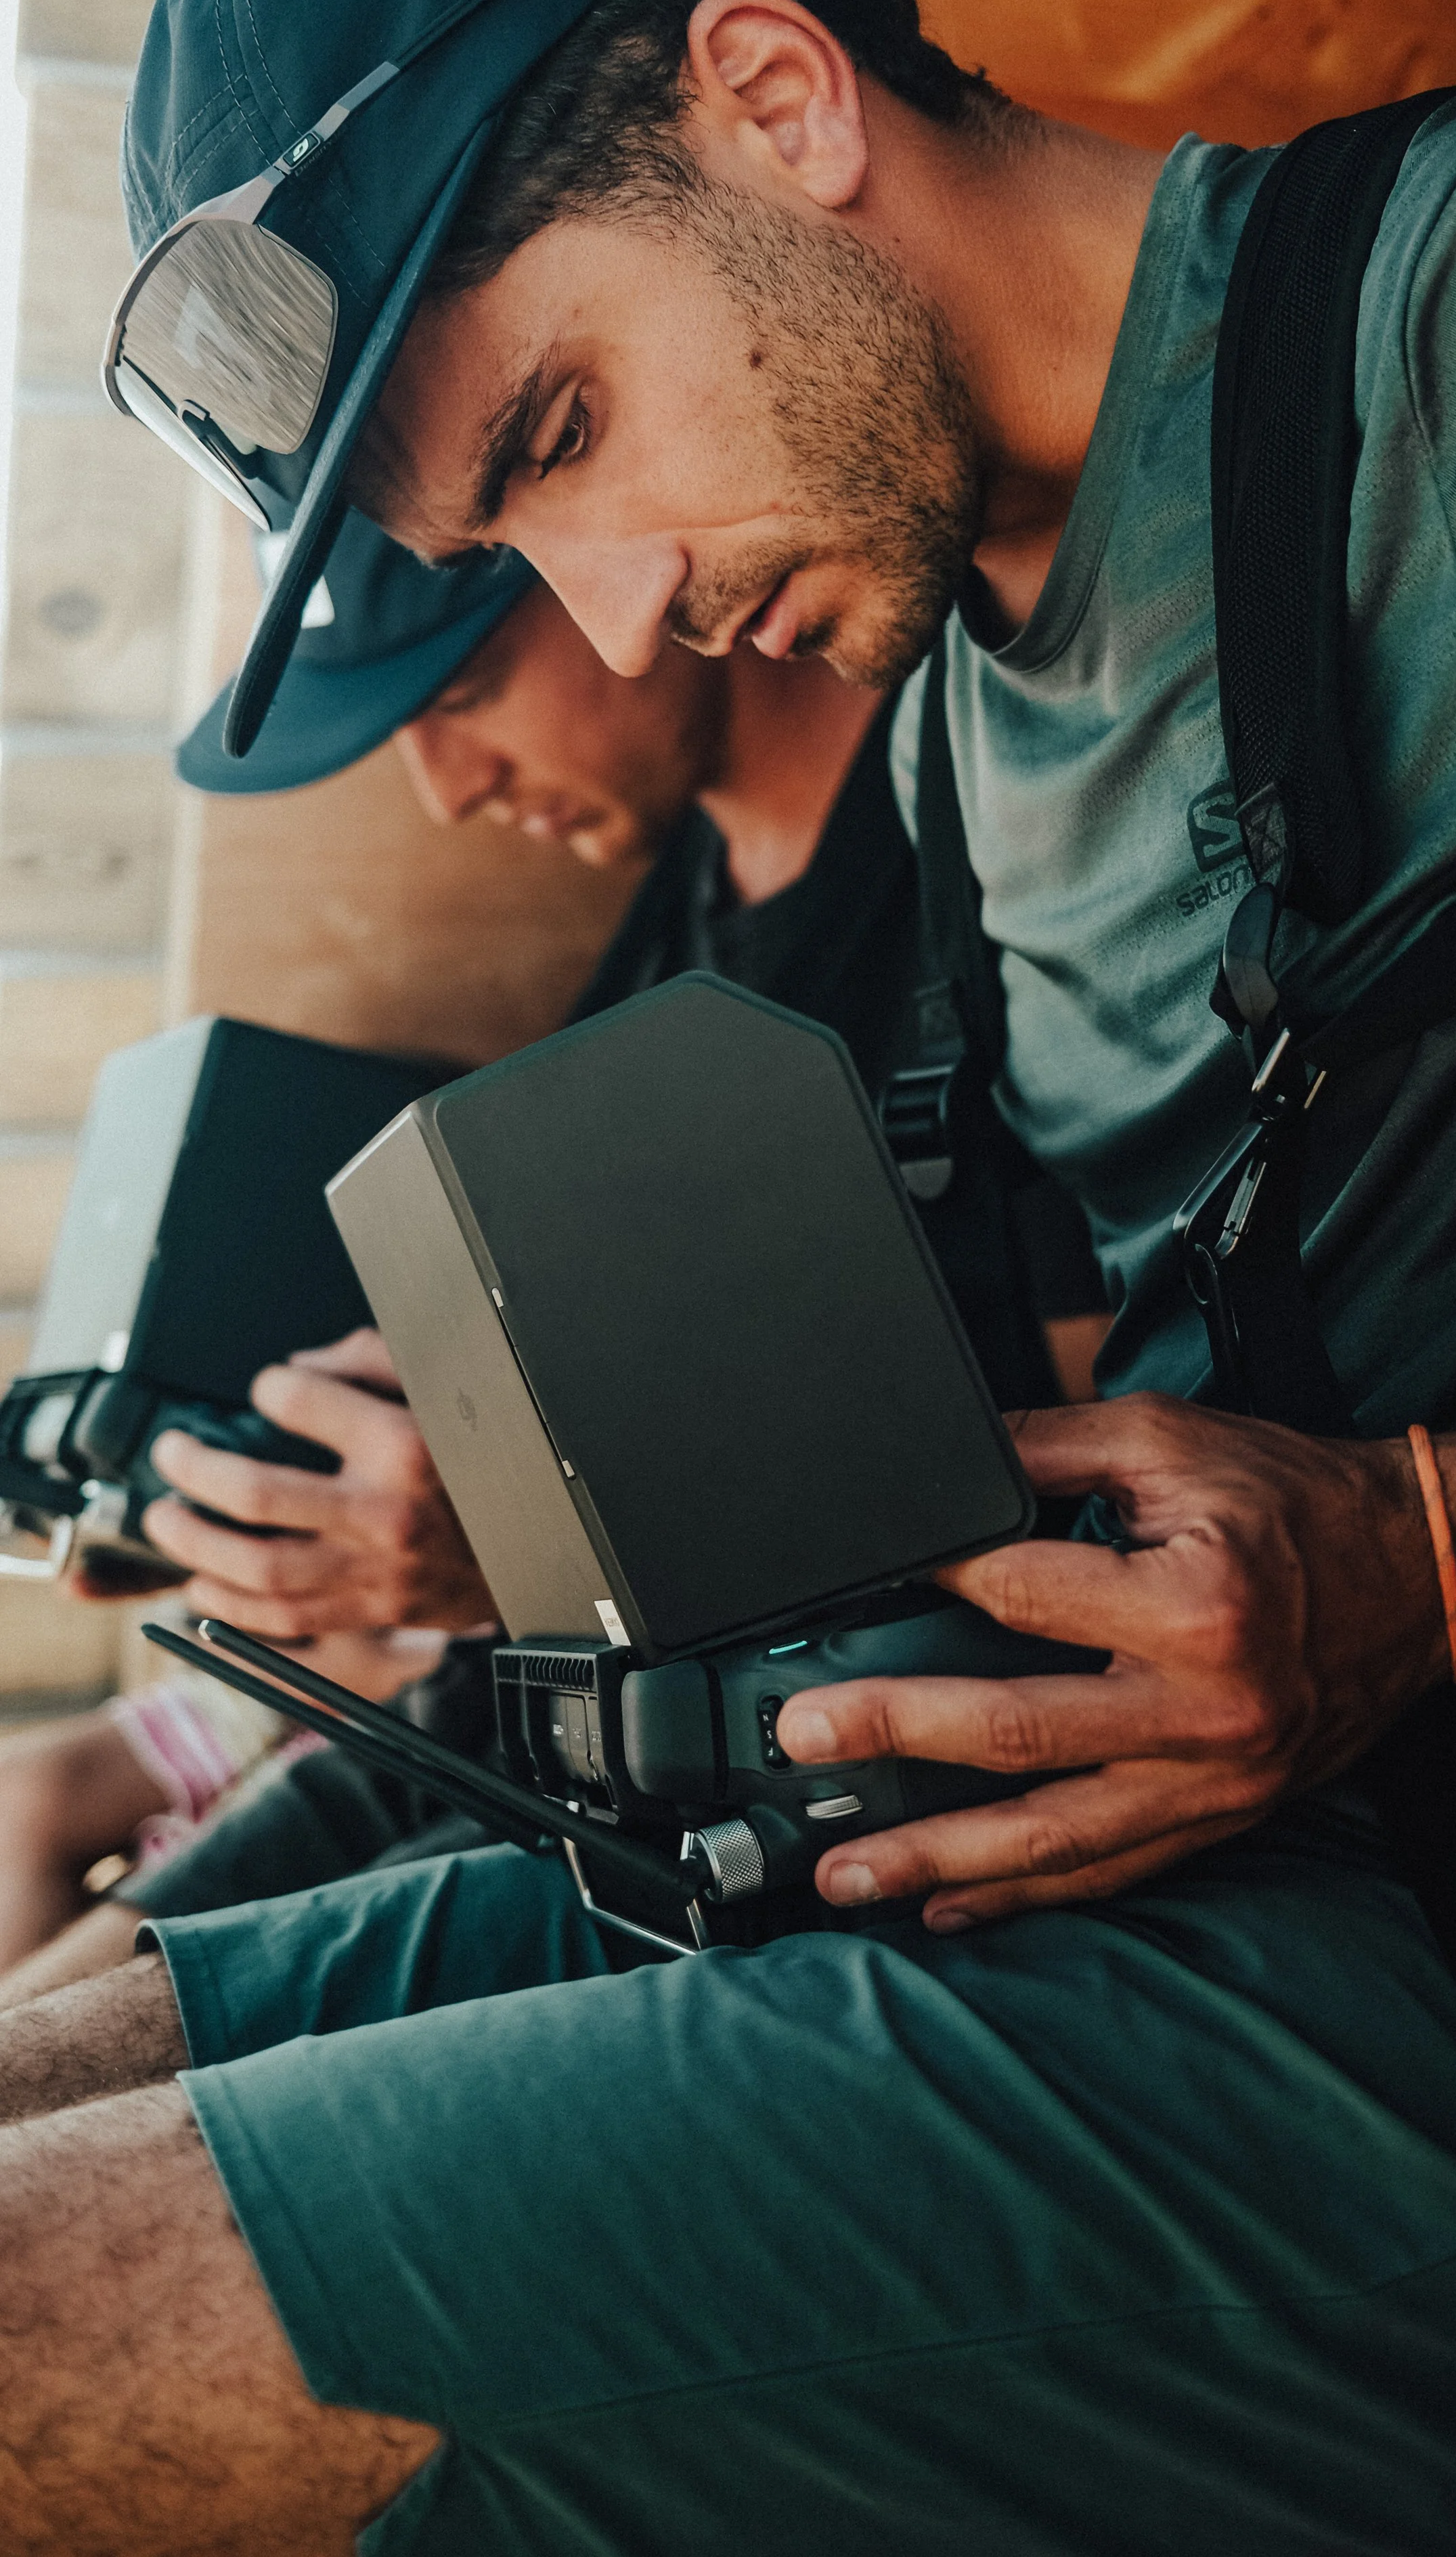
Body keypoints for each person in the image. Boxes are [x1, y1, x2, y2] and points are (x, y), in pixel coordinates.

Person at [5, 0, 1456, 2557]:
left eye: (558, 436)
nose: (623, 606)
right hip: (1193, 1889)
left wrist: (1455, 1553)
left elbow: (1394, 1507)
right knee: (49, 2070)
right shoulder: (959, 718)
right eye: (509, 558)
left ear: (777, 97)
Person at [0, 510, 1105, 2003]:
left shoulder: (981, 862)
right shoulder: (665, 942)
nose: (448, 788)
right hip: (501, 1738)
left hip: (801, 1827)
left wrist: (523, 1559)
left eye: (462, 696)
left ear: (602, 554)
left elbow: (1116, 1467)